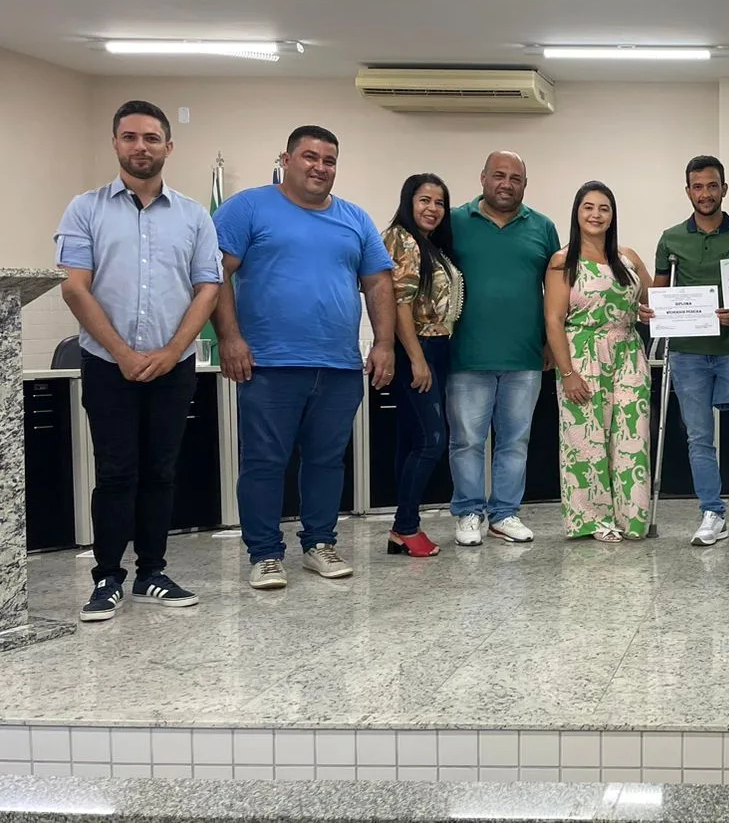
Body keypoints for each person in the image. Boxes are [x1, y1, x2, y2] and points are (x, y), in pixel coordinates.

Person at [56, 100, 221, 621]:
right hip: (108, 364)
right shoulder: (85, 209)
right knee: (116, 471)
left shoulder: (194, 215)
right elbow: (75, 288)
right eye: (130, 137)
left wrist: (172, 352)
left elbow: (208, 288)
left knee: (161, 470)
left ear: (168, 146)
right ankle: (107, 577)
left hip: (174, 365)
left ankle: (152, 571)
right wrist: (123, 353)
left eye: (151, 138)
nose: (140, 146)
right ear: (115, 144)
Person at [213, 125, 395, 588]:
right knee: (264, 461)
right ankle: (264, 554)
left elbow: (378, 282)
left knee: (327, 460)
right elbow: (215, 274)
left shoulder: (354, 218)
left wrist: (384, 343)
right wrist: (229, 338)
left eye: (329, 160)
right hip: (268, 364)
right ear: (287, 159)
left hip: (338, 366)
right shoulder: (247, 208)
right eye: (310, 157)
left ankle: (320, 543)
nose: (320, 167)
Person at [446, 151, 559, 547]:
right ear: (483, 178)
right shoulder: (454, 221)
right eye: (499, 175)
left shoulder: (543, 227)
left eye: (515, 178)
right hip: (466, 355)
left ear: (525, 185)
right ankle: (469, 512)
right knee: (466, 441)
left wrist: (551, 342)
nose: (506, 184)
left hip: (525, 357)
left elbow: (555, 291)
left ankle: (505, 514)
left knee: (515, 442)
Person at [652, 156, 729, 547]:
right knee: (699, 436)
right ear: (688, 192)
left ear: (724, 189)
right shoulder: (671, 239)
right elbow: (660, 292)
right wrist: (653, 309)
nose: (705, 193)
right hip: (687, 352)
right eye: (697, 187)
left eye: (712, 185)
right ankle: (712, 512)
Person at [545, 182, 654, 542]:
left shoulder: (628, 258)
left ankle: (631, 518)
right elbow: (553, 320)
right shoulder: (563, 261)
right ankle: (592, 520)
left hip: (628, 353)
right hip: (583, 354)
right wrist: (567, 373)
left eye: (604, 208)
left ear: (612, 215)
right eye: (588, 207)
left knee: (631, 437)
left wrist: (650, 311)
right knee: (586, 439)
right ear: (577, 213)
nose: (596, 214)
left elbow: (654, 301)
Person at [382, 173, 461, 558]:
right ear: (408, 202)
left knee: (412, 439)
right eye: (424, 200)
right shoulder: (403, 239)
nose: (432, 208)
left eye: (439, 203)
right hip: (418, 348)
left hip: (436, 348)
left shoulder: (429, 245)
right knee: (432, 440)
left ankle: (403, 526)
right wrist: (417, 359)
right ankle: (405, 526)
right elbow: (399, 304)